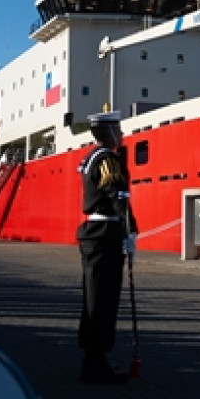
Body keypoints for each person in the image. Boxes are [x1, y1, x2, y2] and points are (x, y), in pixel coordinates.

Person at [75, 111, 138, 384]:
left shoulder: (90, 157)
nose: (121, 134)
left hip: (95, 232)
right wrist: (129, 230)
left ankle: (93, 358)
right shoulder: (108, 159)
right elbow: (117, 197)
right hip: (106, 233)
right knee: (103, 297)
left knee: (94, 296)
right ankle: (96, 362)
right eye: (118, 129)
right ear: (110, 132)